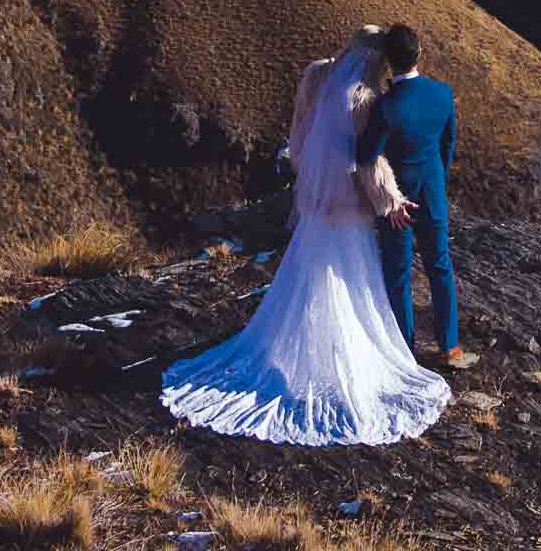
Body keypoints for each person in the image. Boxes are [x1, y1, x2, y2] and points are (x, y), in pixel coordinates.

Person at [159, 25, 453, 444]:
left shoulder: (318, 76)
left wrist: (308, 171)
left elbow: (299, 132)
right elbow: (367, 162)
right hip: (346, 205)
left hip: (316, 200)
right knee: (347, 277)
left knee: (310, 271)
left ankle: (299, 339)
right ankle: (336, 355)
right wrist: (391, 202)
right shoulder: (367, 99)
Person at [356, 23, 461, 361]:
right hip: (432, 191)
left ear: (388, 61)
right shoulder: (443, 93)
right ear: (420, 54)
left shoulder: (385, 107)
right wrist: (437, 181)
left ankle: (405, 350)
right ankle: (451, 345)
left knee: (399, 274)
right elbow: (448, 143)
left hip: (397, 200)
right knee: (440, 266)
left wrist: (388, 197)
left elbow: (366, 157)